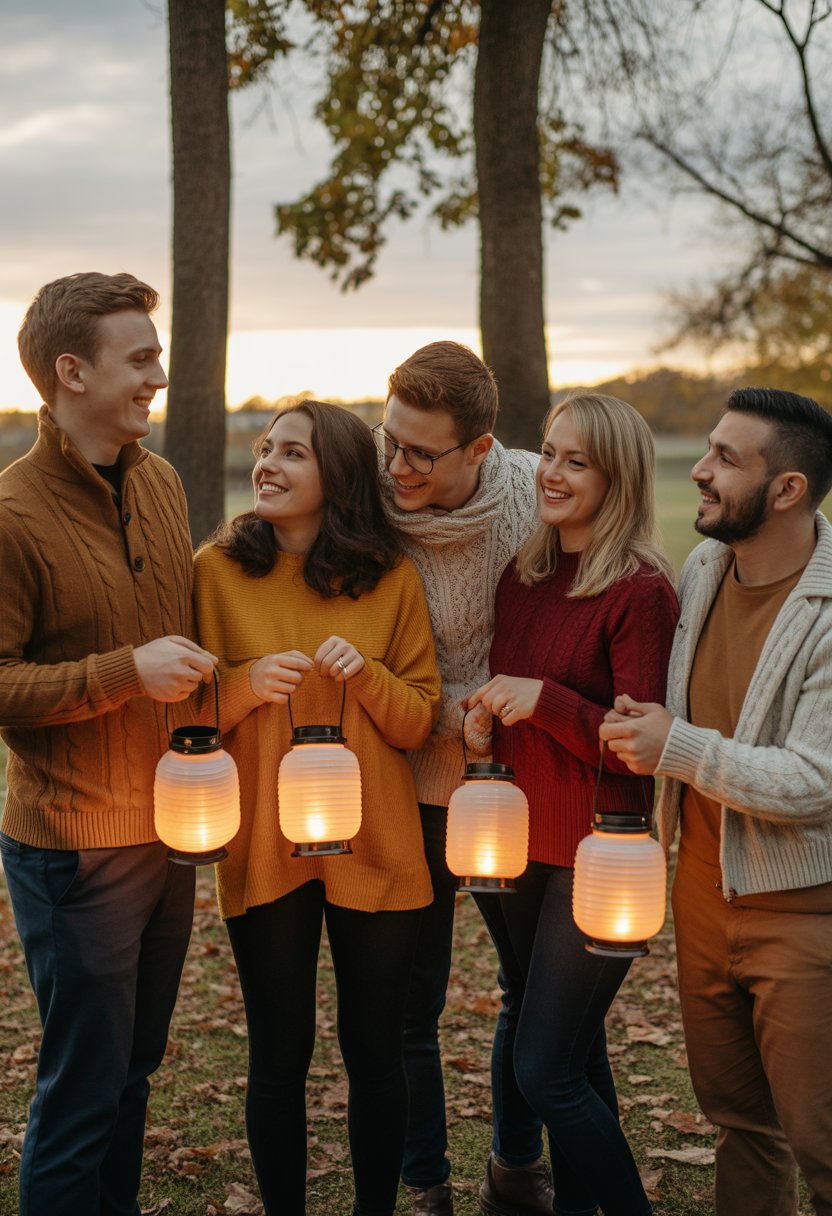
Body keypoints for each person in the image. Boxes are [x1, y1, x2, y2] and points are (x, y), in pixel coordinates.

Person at [0, 272, 217, 1216]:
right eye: (141, 359)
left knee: (134, 1072)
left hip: (170, 828)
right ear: (71, 371)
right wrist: (124, 671)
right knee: (82, 1094)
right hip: (74, 851)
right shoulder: (9, 515)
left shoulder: (162, 482)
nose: (158, 377)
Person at [193, 399, 441, 1216]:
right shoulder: (215, 572)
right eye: (265, 449)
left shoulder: (391, 578)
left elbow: (418, 721)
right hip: (262, 843)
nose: (266, 463)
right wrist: (240, 687)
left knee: (375, 1053)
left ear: (336, 475)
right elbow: (182, 715)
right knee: (279, 1054)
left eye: (291, 453)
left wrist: (366, 674)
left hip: (379, 844)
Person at [599, 387, 832, 1216]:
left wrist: (678, 748)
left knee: (823, 1145)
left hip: (805, 916)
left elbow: (814, 781)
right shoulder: (702, 570)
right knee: (741, 1124)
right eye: (707, 449)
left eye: (726, 460)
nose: (699, 470)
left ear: (788, 490)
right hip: (700, 894)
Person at [466, 390, 679, 1216]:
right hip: (516, 838)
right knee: (565, 1043)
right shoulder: (526, 575)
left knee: (545, 1066)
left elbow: (635, 749)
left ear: (616, 476)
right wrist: (485, 726)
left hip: (601, 848)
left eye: (575, 460)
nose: (551, 472)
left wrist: (543, 699)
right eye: (549, 452)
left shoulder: (640, 593)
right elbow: (516, 706)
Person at [374, 341, 551, 1216]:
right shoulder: (368, 499)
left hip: (508, 786)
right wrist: (449, 712)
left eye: (420, 452)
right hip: (404, 774)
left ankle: (516, 1167)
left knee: (527, 989)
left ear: (480, 449)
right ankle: (425, 1182)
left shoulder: (534, 499)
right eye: (390, 440)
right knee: (413, 1007)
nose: (397, 466)